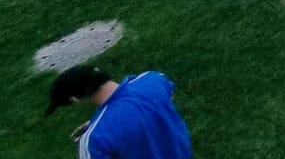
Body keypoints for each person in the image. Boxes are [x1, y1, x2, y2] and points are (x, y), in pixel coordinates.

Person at [45, 65, 191, 158]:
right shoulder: (153, 79)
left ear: (75, 99)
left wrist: (99, 126)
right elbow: (163, 103)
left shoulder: (94, 140)